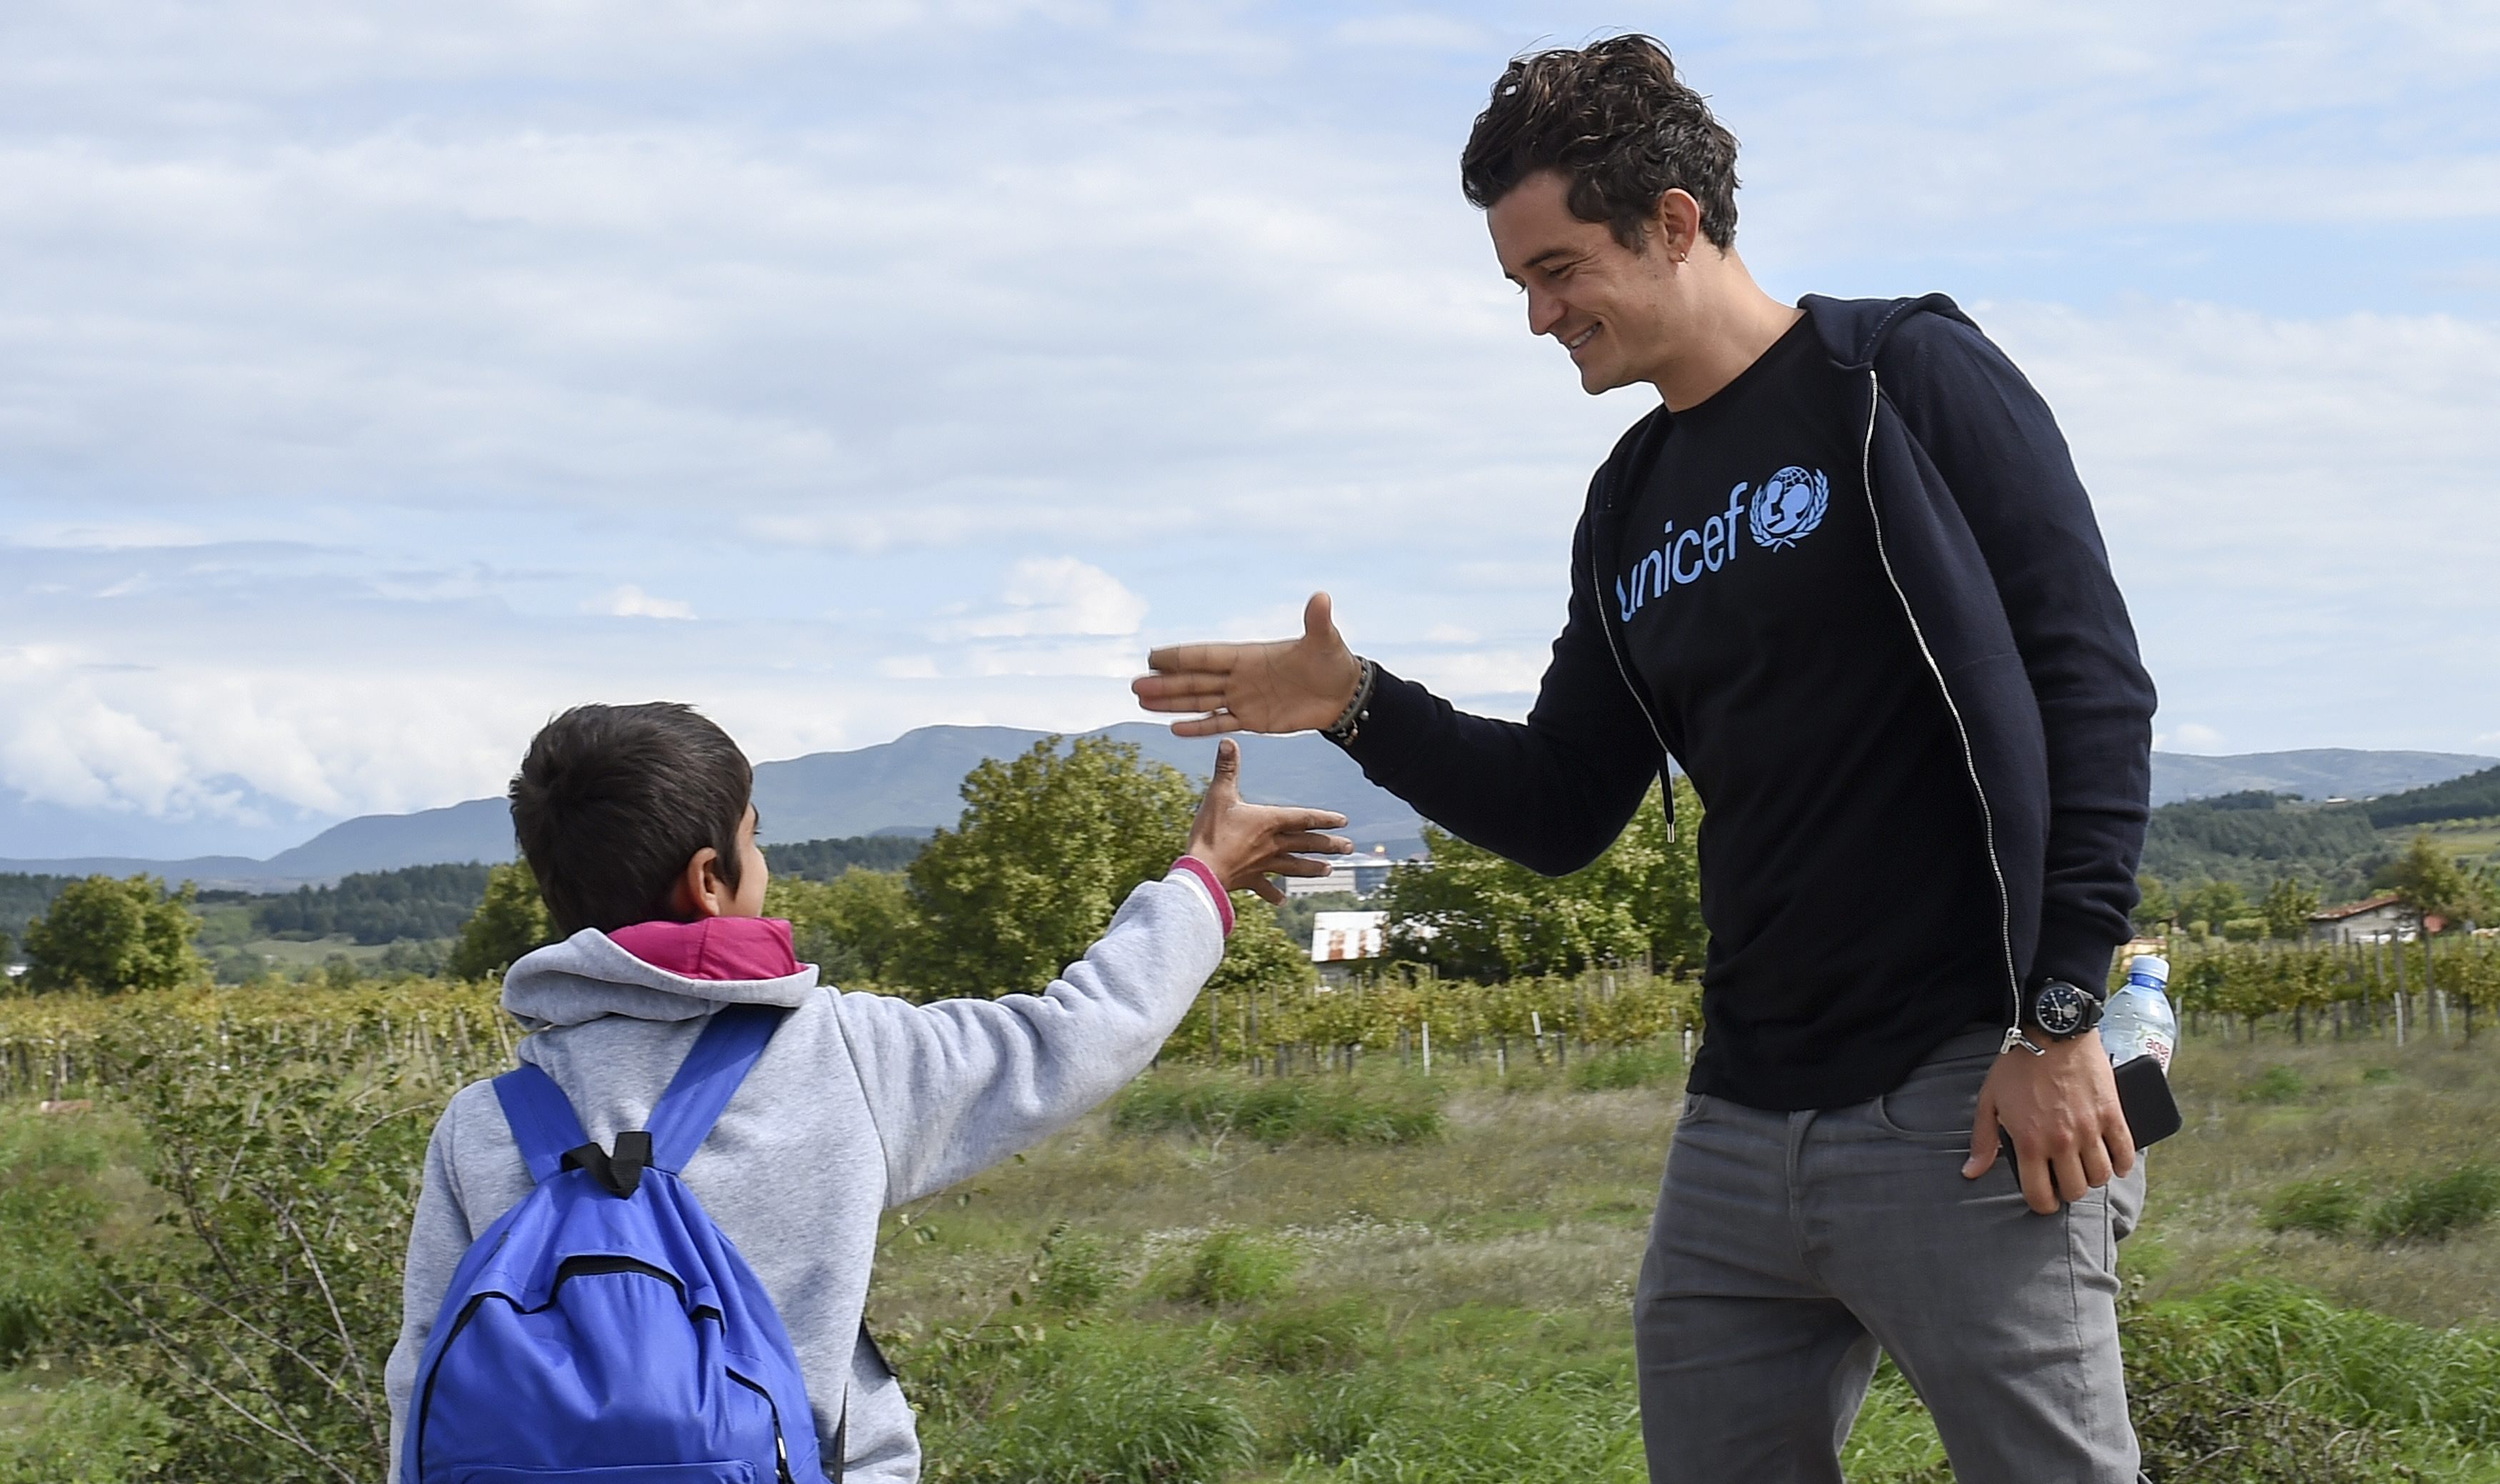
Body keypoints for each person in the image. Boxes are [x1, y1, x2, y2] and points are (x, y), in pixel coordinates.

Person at [1133, 34, 2157, 1484]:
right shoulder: (1628, 503)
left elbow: (2092, 690)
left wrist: (2057, 1023)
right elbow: (1559, 804)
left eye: (1558, 271)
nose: (1540, 317)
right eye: (1520, 285)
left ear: (1672, 220)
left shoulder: (1899, 377)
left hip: (1964, 1090)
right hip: (1740, 1117)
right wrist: (1357, 701)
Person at [384, 701, 1349, 1480]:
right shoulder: (839, 1052)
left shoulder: (483, 1124)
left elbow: (422, 1385)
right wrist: (1201, 879)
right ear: (712, 879)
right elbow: (1073, 1037)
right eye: (758, 842)